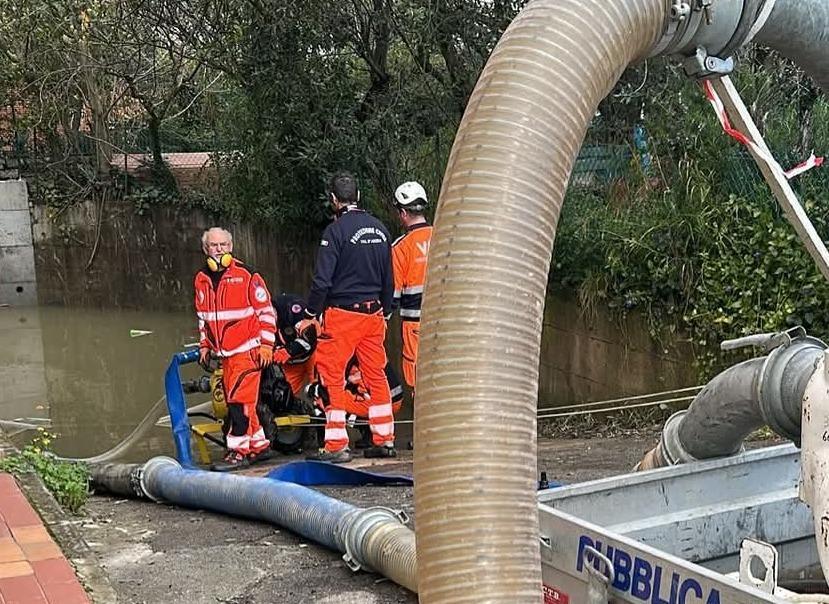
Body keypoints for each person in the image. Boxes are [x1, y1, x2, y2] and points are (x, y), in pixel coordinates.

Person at [300, 171, 395, 463]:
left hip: (342, 316)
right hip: (374, 314)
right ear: (359, 196)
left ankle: (336, 445)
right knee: (376, 375)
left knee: (331, 376)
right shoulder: (380, 229)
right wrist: (386, 310)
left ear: (333, 199)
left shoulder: (335, 232)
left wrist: (310, 314)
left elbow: (322, 282)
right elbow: (388, 278)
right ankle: (384, 439)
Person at [195, 227, 276, 471]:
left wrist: (267, 345)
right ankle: (259, 445)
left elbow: (266, 313)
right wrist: (204, 345)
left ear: (231, 247)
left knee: (238, 402)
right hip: (226, 354)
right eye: (213, 246)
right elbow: (203, 317)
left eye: (223, 246)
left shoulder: (247, 275)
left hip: (248, 350)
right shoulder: (201, 278)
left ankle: (238, 451)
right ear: (205, 249)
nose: (218, 250)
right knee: (242, 401)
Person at [390, 181, 433, 394]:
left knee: (418, 381)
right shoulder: (442, 237)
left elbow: (393, 296)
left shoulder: (401, 247)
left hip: (415, 326)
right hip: (443, 323)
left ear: (403, 212)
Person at [271, 293, 318, 397]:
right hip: (290, 363)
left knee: (319, 391)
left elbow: (310, 337)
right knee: (282, 397)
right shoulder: (260, 324)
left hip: (315, 355)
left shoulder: (291, 308)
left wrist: (289, 350)